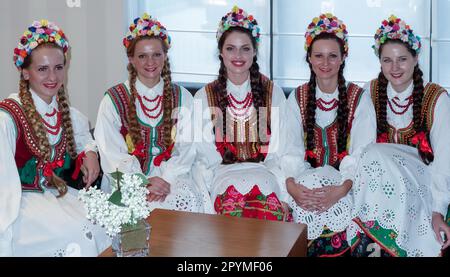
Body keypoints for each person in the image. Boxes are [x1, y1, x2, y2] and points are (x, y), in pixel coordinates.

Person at [0, 20, 110, 256]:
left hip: (59, 197)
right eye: (42, 69)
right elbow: (3, 186)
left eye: (59, 67)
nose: (53, 76)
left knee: (105, 223)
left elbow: (82, 136)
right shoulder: (8, 117)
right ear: (25, 72)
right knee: (78, 234)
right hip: (21, 206)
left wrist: (90, 152)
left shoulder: (67, 114)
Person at [349, 15, 450, 257]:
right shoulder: (371, 92)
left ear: (416, 58)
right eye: (387, 60)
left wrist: (438, 209)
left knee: (375, 153)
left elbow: (445, 160)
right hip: (382, 186)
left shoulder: (436, 97)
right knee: (370, 154)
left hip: (424, 182)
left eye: (402, 59)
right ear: (380, 62)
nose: (395, 68)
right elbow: (359, 151)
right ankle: (375, 242)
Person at [281, 13, 377, 257]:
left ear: (343, 57)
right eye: (319, 55)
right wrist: (292, 186)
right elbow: (290, 149)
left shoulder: (359, 98)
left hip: (348, 185)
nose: (326, 63)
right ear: (309, 59)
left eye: (333, 55)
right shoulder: (297, 98)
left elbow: (361, 154)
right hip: (305, 184)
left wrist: (341, 189)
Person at [94, 13, 207, 213]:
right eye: (142, 56)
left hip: (174, 177)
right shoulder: (113, 99)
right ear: (131, 59)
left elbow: (188, 148)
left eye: (156, 54)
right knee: (132, 212)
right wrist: (142, 182)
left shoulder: (182, 97)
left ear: (165, 55)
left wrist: (166, 178)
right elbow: (111, 152)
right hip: (127, 181)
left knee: (182, 203)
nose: (150, 62)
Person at [192, 6, 291, 220]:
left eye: (245, 48)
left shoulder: (273, 93)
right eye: (231, 48)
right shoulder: (204, 96)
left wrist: (283, 193)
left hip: (266, 175)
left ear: (255, 51)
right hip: (223, 177)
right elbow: (204, 157)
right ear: (220, 51)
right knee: (231, 218)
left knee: (270, 216)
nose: (238, 55)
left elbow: (282, 151)